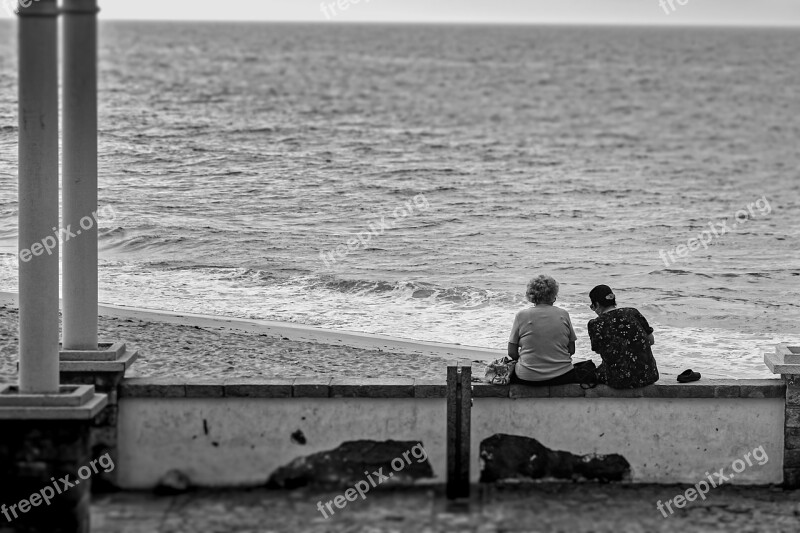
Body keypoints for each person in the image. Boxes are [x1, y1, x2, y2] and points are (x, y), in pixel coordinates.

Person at [508, 275, 580, 386]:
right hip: (563, 375)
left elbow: (512, 352)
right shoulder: (563, 314)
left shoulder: (522, 316)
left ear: (531, 295)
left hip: (527, 376)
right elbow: (571, 349)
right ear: (553, 294)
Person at [587, 285, 659, 389]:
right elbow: (651, 341)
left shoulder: (596, 324)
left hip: (619, 380)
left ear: (597, 304)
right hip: (648, 375)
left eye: (592, 307)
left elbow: (599, 350)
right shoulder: (633, 312)